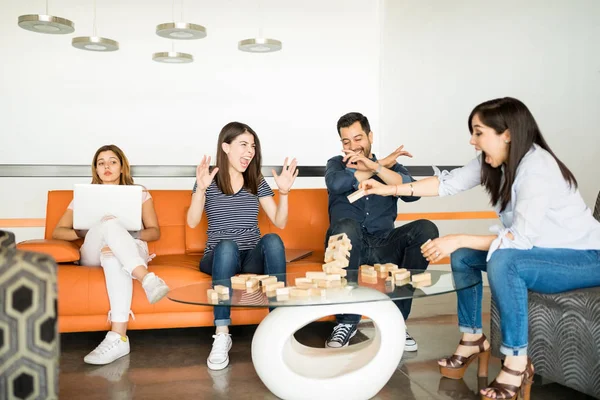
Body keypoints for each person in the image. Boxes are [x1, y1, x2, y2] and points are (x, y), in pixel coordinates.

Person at [360, 97, 600, 399]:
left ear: (507, 134)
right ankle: (473, 337)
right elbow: (446, 184)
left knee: (503, 262)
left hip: (587, 259)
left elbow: (518, 241)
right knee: (464, 258)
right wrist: (389, 189)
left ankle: (516, 361)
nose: (472, 141)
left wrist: (458, 237)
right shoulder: (497, 161)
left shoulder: (536, 168)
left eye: (478, 132)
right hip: (543, 254)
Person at [187, 121, 298, 371]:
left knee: (272, 240)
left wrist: (284, 193)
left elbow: (279, 222)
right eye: (243, 144)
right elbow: (192, 221)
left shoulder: (256, 181)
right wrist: (200, 190)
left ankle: (278, 326)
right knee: (226, 245)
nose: (250, 151)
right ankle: (222, 333)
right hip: (218, 254)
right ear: (225, 147)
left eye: (253, 146)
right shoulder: (208, 179)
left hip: (250, 255)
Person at [324, 112, 439, 351]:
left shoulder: (393, 166)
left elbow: (413, 192)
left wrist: (379, 166)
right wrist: (380, 164)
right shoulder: (336, 164)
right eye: (346, 142)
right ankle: (347, 321)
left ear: (370, 136)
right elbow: (336, 185)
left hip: (384, 243)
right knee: (347, 225)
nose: (353, 147)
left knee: (426, 228)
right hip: (347, 243)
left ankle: (396, 321)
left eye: (358, 139)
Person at [53, 144, 170, 365]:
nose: (107, 166)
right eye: (101, 162)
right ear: (96, 170)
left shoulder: (140, 192)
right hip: (91, 251)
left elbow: (154, 232)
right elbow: (58, 232)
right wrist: (89, 228)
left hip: (130, 248)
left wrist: (124, 231)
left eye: (112, 161)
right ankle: (146, 278)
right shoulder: (84, 196)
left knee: (112, 254)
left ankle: (118, 337)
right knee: (107, 223)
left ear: (122, 167)